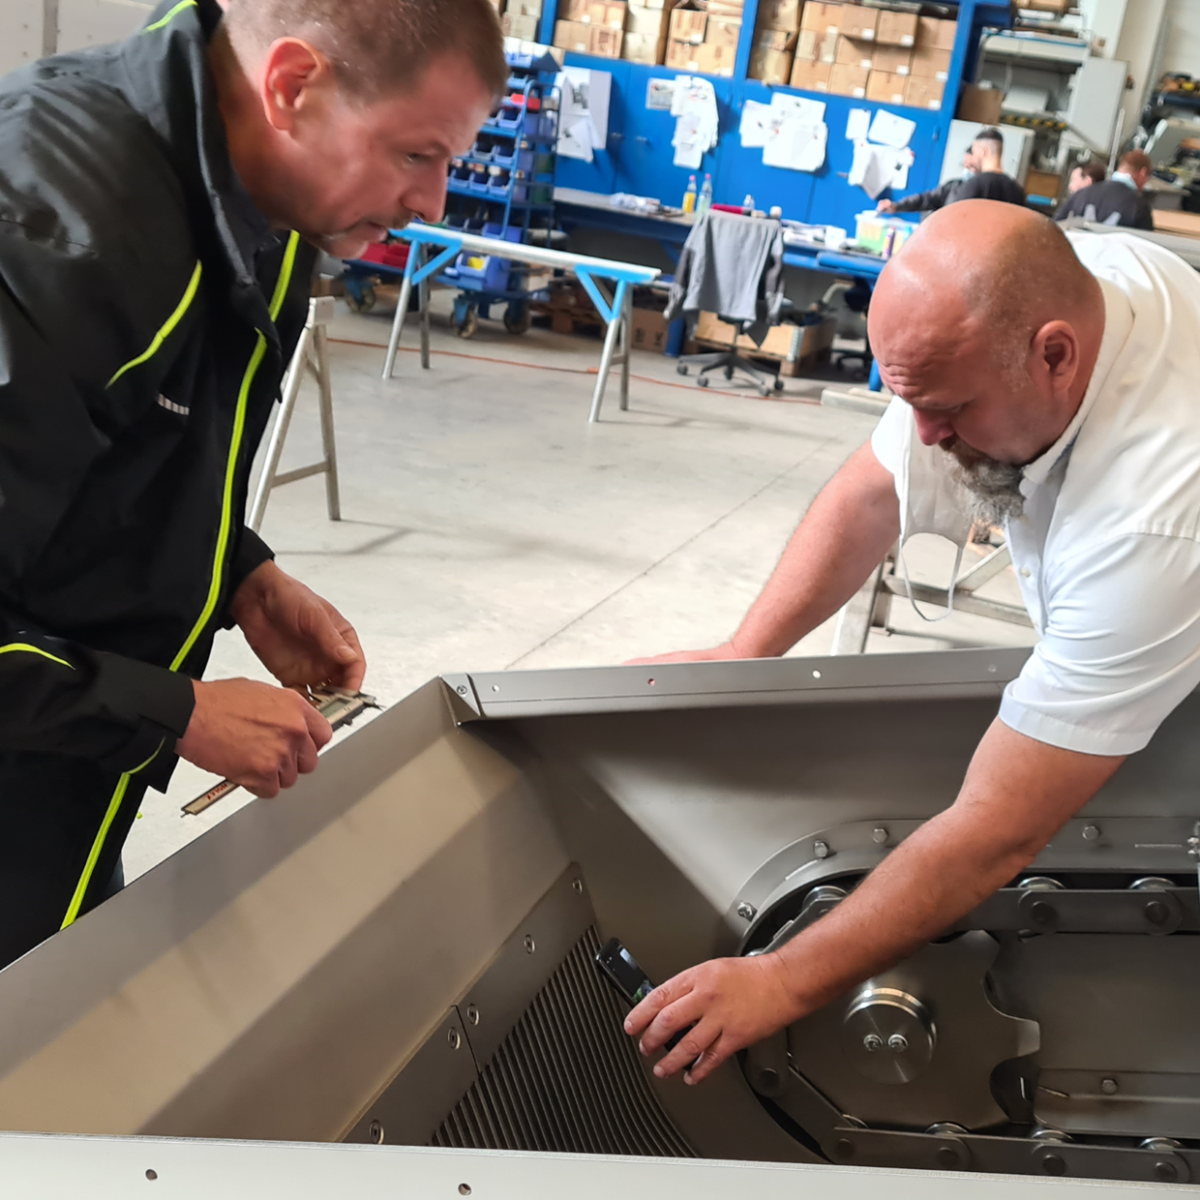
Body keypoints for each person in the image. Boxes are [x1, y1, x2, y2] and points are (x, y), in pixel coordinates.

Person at [625, 201, 1200, 1085]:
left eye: (951, 408)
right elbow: (875, 488)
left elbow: (996, 832)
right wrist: (748, 650)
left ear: (1056, 356)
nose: (926, 434)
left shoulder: (1155, 523)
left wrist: (784, 979)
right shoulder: (1057, 296)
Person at [0, 0, 504, 968]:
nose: (434, 203)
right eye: (416, 154)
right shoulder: (57, 238)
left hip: (59, 782)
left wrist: (237, 573)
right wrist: (177, 713)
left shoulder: (269, 213)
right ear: (293, 86)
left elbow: (129, 447)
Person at [877, 128, 1026, 215]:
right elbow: (931, 198)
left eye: (974, 153)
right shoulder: (1017, 190)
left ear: (984, 151)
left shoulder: (975, 184)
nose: (970, 163)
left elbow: (953, 220)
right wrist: (898, 206)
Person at [1056, 149, 1155, 230]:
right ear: (1143, 173)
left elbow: (1055, 227)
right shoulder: (1139, 206)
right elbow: (1145, 244)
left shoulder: (1080, 194)